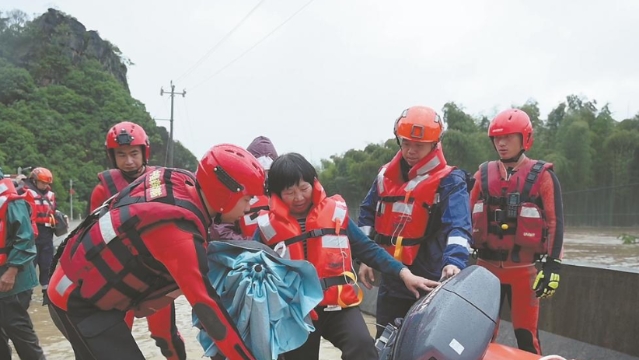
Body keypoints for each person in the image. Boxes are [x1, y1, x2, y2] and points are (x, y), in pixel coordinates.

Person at [47, 144, 265, 360]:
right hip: (77, 302)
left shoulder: (181, 179)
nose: (247, 209)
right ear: (225, 195)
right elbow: (210, 312)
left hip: (81, 286)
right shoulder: (179, 235)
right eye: (246, 199)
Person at [254, 152, 438, 360]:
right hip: (294, 312)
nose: (299, 197)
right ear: (277, 193)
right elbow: (247, 267)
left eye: (303, 188)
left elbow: (368, 249)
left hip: (337, 307)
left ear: (313, 184)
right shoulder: (266, 227)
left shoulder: (336, 213)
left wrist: (404, 274)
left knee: (363, 347)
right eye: (290, 192)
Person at [357, 106, 473, 338]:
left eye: (419, 146)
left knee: (421, 343)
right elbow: (367, 214)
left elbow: (459, 227)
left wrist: (454, 262)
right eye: (406, 143)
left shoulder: (450, 180)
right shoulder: (384, 176)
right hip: (391, 275)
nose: (411, 151)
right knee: (384, 341)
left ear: (435, 144)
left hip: (430, 278)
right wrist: (364, 258)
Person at [89, 121, 186, 360]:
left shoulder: (160, 181)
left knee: (164, 334)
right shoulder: (102, 191)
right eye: (121, 155)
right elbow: (92, 237)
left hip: (156, 274)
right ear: (112, 156)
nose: (129, 161)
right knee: (119, 335)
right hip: (119, 277)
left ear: (145, 152)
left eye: (134, 153)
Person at [470, 108, 564, 354]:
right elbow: (463, 216)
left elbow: (555, 223)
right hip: (485, 269)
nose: (501, 143)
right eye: (497, 138)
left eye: (509, 137)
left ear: (525, 139)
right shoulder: (482, 174)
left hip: (525, 273)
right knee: (480, 336)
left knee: (526, 337)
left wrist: (553, 266)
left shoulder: (544, 176)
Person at [0, 167, 47, 360]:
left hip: (13, 278)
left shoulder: (12, 201)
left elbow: (26, 240)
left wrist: (11, 272)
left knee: (18, 328)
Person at [209, 135, 278, 240]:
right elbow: (221, 229)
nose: (264, 176)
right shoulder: (234, 193)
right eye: (258, 171)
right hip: (243, 252)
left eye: (268, 171)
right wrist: (250, 246)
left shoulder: (284, 192)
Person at [17, 166, 56, 306]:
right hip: (30, 233)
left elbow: (53, 211)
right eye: (42, 183)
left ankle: (47, 295)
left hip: (47, 234)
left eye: (47, 183)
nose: (45, 186)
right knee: (29, 265)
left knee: (47, 264)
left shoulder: (50, 195)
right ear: (34, 180)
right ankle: (26, 295)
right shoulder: (23, 191)